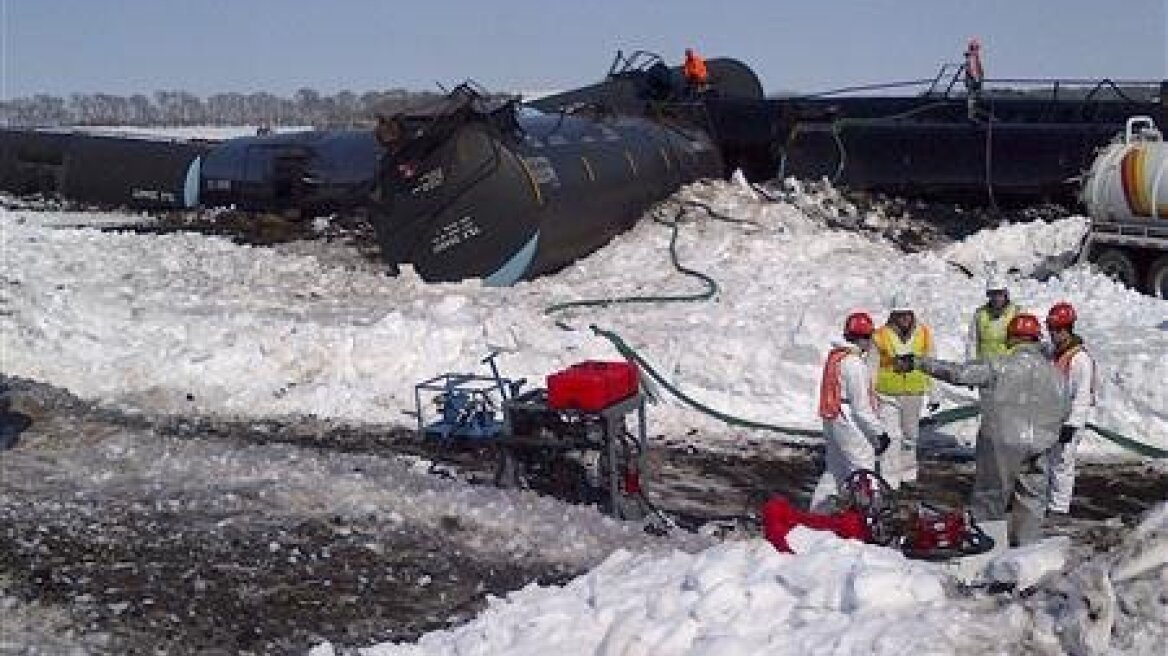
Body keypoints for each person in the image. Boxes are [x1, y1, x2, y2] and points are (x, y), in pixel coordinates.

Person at [895, 314, 1068, 546]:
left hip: (1001, 443)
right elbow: (1064, 408)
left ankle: (988, 549)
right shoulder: (1055, 374)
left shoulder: (999, 366)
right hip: (1039, 446)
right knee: (1032, 501)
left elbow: (958, 374)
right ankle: (1026, 555)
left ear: (1011, 339)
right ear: (1036, 339)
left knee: (990, 498)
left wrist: (918, 362)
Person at [811, 311, 891, 511]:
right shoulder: (854, 364)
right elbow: (861, 407)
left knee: (836, 470)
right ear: (863, 338)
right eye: (869, 337)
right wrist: (878, 433)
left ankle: (818, 513)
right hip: (848, 420)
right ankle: (869, 515)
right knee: (863, 469)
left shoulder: (836, 356)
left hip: (833, 417)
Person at [872, 300, 937, 488]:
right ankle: (889, 479)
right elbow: (871, 367)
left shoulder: (923, 333)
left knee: (910, 435)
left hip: (913, 392)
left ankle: (908, 474)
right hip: (887, 393)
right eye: (900, 315)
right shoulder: (880, 336)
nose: (905, 318)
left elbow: (932, 364)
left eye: (907, 314)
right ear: (893, 315)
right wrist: (867, 394)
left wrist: (935, 393)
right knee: (891, 436)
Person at [1045, 301, 1096, 515]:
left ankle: (1059, 508)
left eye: (1057, 330)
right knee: (1050, 462)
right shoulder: (1055, 353)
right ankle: (1050, 502)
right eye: (1051, 330)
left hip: (1068, 421)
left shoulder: (1079, 359)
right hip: (1053, 418)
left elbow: (1082, 396)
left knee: (1062, 464)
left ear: (1068, 329)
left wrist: (1072, 425)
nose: (1053, 334)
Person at [967, 273, 1020, 360]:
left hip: (1009, 367)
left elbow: (1024, 343)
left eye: (999, 293)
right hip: (985, 366)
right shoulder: (980, 314)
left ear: (1005, 294)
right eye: (993, 294)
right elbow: (972, 342)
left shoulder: (1016, 313)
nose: (996, 298)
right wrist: (971, 364)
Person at [963, 37, 985, 119]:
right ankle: (971, 115)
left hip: (975, 80)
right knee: (972, 97)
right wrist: (977, 78)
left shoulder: (974, 57)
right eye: (976, 47)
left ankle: (975, 113)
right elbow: (972, 69)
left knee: (976, 96)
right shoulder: (971, 57)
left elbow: (979, 69)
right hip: (973, 80)